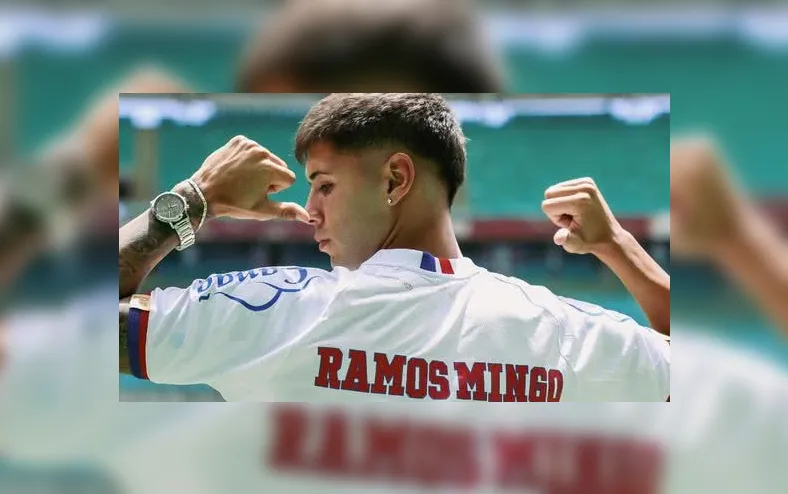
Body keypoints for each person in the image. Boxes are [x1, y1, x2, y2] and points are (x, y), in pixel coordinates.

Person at [118, 93, 670, 402]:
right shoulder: (560, 330)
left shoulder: (281, 310)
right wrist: (617, 245)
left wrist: (195, 199)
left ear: (394, 180)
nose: (310, 209)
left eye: (325, 184)